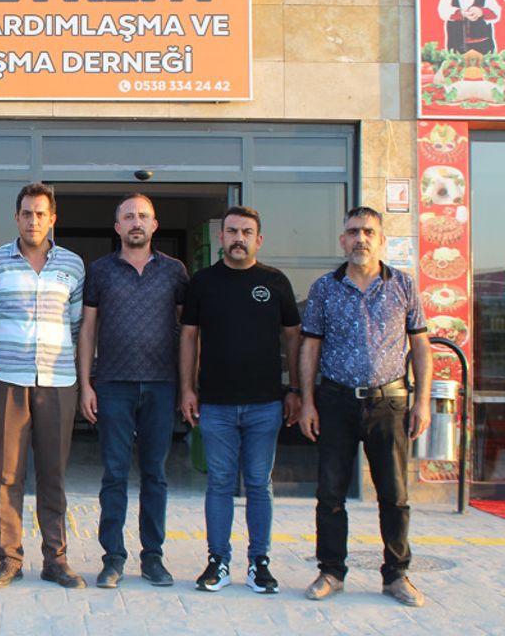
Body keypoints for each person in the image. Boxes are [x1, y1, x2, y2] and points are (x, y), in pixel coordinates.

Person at [299, 206, 432, 607]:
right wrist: (307, 402)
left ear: (381, 239)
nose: (361, 238)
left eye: (369, 231)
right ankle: (331, 571)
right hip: (336, 400)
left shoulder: (403, 285)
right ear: (343, 239)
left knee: (394, 494)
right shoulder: (325, 287)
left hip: (389, 402)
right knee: (330, 493)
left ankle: (397, 575)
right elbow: (310, 347)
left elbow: (421, 346)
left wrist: (422, 401)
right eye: (354, 231)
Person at [0, 182, 86, 589]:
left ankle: (56, 560)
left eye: (41, 214)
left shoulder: (73, 265)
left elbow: (76, 327)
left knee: (53, 475)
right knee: (8, 475)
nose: (34, 220)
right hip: (6, 381)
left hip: (58, 382)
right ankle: (9, 559)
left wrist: (81, 380)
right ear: (16, 218)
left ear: (53, 219)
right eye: (27, 213)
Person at [178, 206, 301, 594]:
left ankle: (259, 563)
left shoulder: (275, 282)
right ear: (221, 237)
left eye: (246, 232)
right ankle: (218, 561)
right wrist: (187, 388)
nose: (238, 238)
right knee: (219, 483)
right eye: (232, 231)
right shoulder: (202, 283)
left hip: (265, 404)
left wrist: (296, 389)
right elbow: (188, 338)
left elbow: (293, 337)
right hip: (215, 404)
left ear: (258, 240)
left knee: (259, 484)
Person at [78, 192, 188, 589]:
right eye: (128, 216)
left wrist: (187, 386)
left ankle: (153, 557)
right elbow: (87, 330)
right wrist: (86, 384)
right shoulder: (100, 271)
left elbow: (188, 333)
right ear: (117, 227)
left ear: (154, 225)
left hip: (161, 385)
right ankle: (113, 558)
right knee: (114, 475)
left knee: (155, 475)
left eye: (143, 216)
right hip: (113, 385)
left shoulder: (175, 271)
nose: (136, 222)